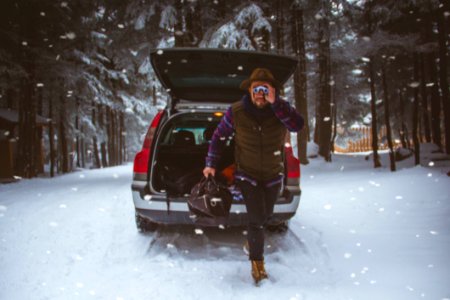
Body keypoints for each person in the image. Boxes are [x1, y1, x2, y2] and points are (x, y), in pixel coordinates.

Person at [203, 68, 304, 284]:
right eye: (255, 88)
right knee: (256, 219)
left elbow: (298, 125)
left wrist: (277, 103)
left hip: (273, 174)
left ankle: (252, 242)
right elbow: (219, 137)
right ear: (249, 90)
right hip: (246, 174)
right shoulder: (237, 111)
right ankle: (257, 266)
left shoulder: (281, 110)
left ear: (273, 91)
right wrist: (210, 164)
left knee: (266, 215)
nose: (260, 93)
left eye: (264, 89)